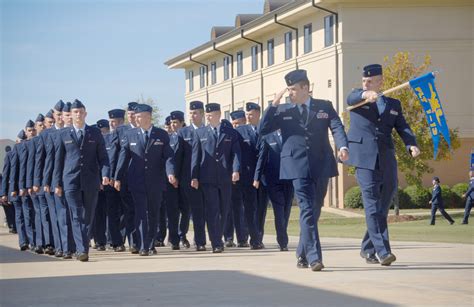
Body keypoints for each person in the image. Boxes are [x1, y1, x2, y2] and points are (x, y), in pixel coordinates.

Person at [260, 69, 349, 271]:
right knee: (307, 209)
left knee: (314, 211)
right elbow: (262, 130)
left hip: (321, 164)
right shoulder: (283, 110)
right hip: (296, 165)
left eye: (292, 89)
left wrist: (343, 146)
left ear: (305, 88)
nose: (289, 93)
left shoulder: (324, 106)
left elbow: (336, 126)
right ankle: (314, 257)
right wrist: (273, 105)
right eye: (288, 89)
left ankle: (301, 252)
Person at [346, 64, 420, 266]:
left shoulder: (393, 104)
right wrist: (365, 93)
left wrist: (411, 144)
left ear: (381, 81)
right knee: (371, 204)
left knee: (383, 204)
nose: (366, 84)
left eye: (370, 82)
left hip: (386, 158)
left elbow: (402, 126)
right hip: (364, 159)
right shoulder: (357, 98)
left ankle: (367, 248)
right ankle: (383, 251)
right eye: (364, 81)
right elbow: (350, 99)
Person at [115, 103, 177, 256]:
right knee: (141, 213)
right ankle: (143, 245)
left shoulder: (161, 134)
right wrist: (117, 177)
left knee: (154, 213)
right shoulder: (130, 135)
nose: (136, 119)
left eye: (139, 116)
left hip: (156, 182)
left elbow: (168, 156)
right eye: (135, 117)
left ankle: (151, 244)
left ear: (148, 117)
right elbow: (123, 158)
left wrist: (170, 173)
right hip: (136, 181)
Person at [53, 99, 110, 261]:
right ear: (70, 115)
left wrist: (105, 174)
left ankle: (81, 247)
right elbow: (58, 160)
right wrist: (57, 183)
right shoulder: (63, 134)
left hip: (91, 180)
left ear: (85, 114)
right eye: (75, 112)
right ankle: (82, 249)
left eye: (81, 112)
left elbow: (103, 157)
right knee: (76, 215)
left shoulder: (94, 133)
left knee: (88, 216)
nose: (78, 115)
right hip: (70, 180)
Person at [191, 103, 241, 253]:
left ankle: (218, 236)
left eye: (211, 115)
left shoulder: (230, 133)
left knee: (224, 210)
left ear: (219, 114)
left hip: (225, 177)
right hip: (207, 178)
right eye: (206, 115)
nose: (208, 117)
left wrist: (236, 170)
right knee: (212, 210)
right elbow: (196, 156)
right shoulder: (200, 133)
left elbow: (236, 154)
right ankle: (216, 242)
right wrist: (194, 176)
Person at [254, 129, 294, 251]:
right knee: (279, 210)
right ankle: (283, 241)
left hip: (289, 179)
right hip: (273, 180)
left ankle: (282, 236)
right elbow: (262, 157)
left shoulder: (292, 135)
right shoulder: (267, 137)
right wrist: (257, 177)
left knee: (286, 210)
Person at [177, 101, 207, 251]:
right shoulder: (183, 133)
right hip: (187, 179)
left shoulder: (208, 131)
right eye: (191, 113)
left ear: (202, 114)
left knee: (202, 211)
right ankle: (182, 235)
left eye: (195, 113)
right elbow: (178, 157)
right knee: (190, 210)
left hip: (206, 178)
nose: (192, 116)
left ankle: (200, 241)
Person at [233, 105, 264, 250]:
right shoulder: (240, 131)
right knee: (249, 209)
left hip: (264, 175)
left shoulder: (266, 128)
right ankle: (253, 239)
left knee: (261, 210)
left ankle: (259, 237)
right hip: (247, 177)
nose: (248, 117)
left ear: (258, 114)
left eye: (251, 114)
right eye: (247, 114)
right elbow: (236, 153)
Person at [224, 110, 249, 248]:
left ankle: (242, 237)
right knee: (229, 209)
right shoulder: (229, 136)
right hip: (230, 177)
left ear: (244, 121)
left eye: (238, 123)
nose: (235, 127)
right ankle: (228, 237)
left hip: (246, 176)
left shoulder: (249, 134)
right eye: (233, 124)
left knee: (242, 209)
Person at [1, 146, 17, 234]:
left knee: (10, 212)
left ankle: (13, 226)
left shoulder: (8, 157)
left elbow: (4, 177)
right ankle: (13, 226)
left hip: (9, 191)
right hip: (11, 190)